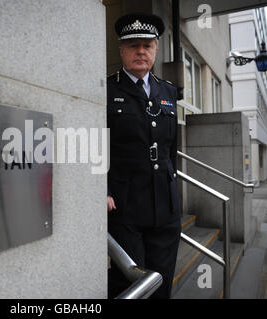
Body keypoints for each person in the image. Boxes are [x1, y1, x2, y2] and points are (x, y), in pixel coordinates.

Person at [107, 12, 181, 299]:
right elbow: (93, 145)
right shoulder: (107, 89)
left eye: (147, 45)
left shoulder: (168, 91)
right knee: (129, 283)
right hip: (124, 207)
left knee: (161, 283)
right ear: (121, 50)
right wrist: (101, 189)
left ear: (156, 49)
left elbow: (170, 150)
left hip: (165, 205)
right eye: (133, 45)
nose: (141, 51)